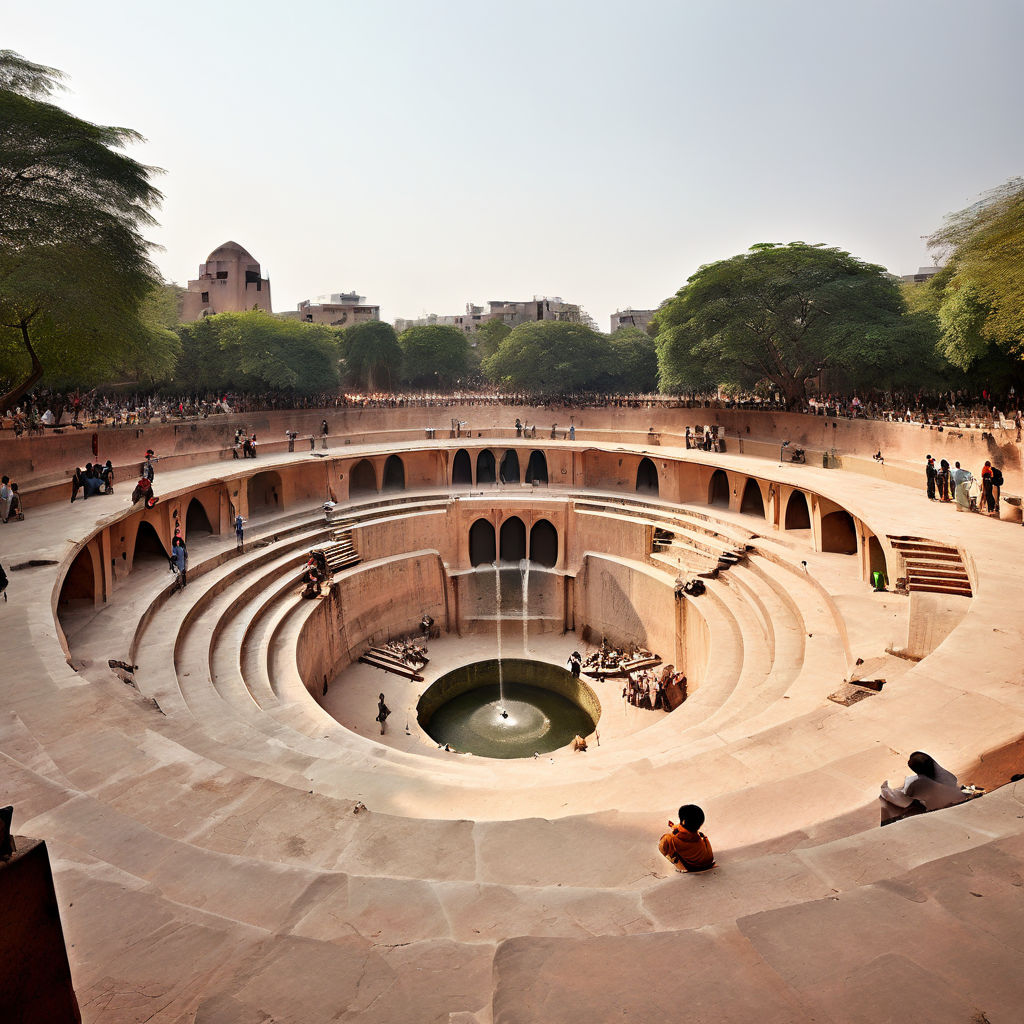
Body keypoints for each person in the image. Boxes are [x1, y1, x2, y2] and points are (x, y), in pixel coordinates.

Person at [879, 751, 969, 826]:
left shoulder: (918, 784)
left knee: (890, 803)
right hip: (957, 807)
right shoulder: (951, 777)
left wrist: (888, 792)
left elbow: (907, 798)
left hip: (938, 815)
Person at [658, 804, 715, 872]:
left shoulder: (671, 838)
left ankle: (676, 863)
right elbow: (684, 830)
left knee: (666, 840)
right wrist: (674, 827)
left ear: (683, 821)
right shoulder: (700, 835)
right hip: (707, 862)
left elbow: (663, 848)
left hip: (690, 867)